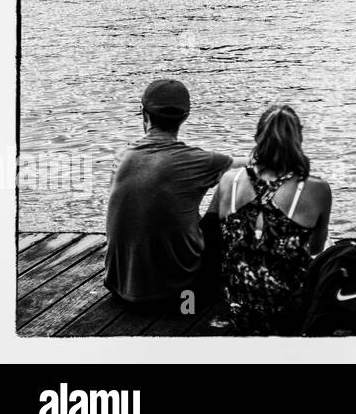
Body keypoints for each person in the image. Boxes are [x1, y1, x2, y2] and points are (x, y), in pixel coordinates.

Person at [105, 80, 245, 307]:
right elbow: (258, 166)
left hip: (119, 290)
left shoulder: (122, 156)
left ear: (144, 113)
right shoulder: (198, 160)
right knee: (232, 180)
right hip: (177, 297)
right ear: (185, 116)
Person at [211, 105, 332, 335]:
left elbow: (225, 241)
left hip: (239, 307)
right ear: (299, 138)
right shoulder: (317, 188)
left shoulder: (229, 180)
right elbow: (315, 248)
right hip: (288, 312)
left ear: (258, 137)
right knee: (328, 247)